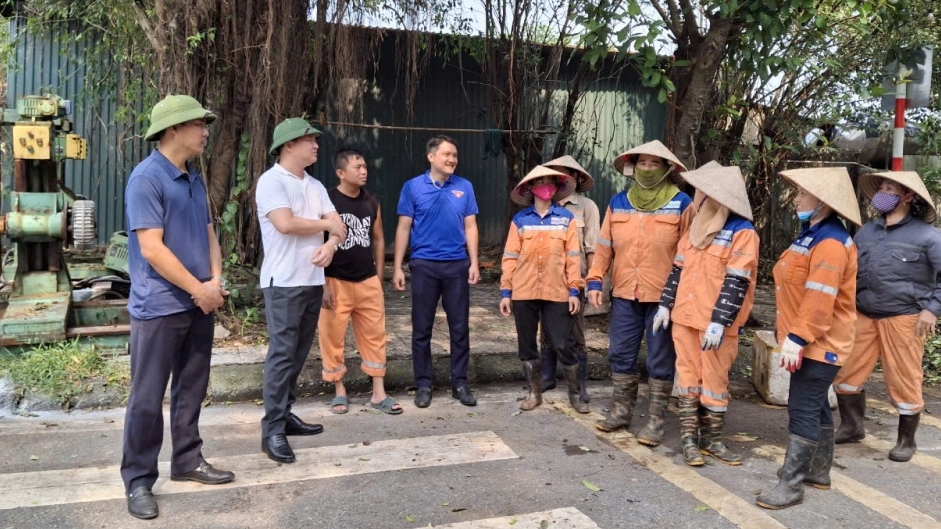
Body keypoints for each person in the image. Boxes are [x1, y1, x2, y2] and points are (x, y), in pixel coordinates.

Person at [121, 95, 234, 520]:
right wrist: (198, 289)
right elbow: (151, 248)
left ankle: (187, 459)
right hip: (160, 306)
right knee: (147, 398)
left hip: (198, 301)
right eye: (199, 124)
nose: (206, 131)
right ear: (173, 129)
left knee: (191, 388)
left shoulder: (193, 177)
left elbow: (208, 233)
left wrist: (215, 280)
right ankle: (137, 481)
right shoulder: (146, 178)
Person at [756, 167, 860, 510]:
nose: (796, 198)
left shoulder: (829, 242)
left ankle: (792, 483)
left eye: (802, 193)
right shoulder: (810, 234)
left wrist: (797, 338)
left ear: (823, 203)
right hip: (811, 338)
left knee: (802, 408)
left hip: (820, 343)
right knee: (815, 405)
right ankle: (817, 470)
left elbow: (820, 299)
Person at [587, 140, 693, 444]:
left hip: (664, 299)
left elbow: (688, 254)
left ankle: (657, 421)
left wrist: (678, 298)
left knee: (659, 358)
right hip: (624, 294)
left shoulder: (682, 203)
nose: (647, 169)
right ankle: (621, 411)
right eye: (642, 163)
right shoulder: (618, 202)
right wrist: (595, 280)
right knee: (619, 353)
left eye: (654, 164)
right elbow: (604, 246)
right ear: (633, 167)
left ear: (667, 168)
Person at [653, 162, 758, 465]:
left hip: (716, 325)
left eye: (701, 191)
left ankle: (712, 440)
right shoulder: (694, 228)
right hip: (684, 317)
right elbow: (678, 269)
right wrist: (665, 304)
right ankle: (688, 440)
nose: (696, 196)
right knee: (687, 377)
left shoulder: (743, 232)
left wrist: (719, 322)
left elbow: (737, 280)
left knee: (714, 380)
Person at [255, 118, 347, 464]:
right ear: (289, 145)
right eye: (310, 140)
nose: (316, 146)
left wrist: (332, 246)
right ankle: (272, 431)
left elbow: (339, 225)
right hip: (284, 282)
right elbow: (286, 223)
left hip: (312, 280)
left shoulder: (316, 185)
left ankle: (285, 414)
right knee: (281, 355)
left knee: (296, 355)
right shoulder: (271, 182)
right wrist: (327, 227)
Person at [832, 171, 941, 462]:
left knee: (904, 379)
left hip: (905, 317)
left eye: (890, 188)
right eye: (881, 187)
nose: (883, 192)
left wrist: (931, 309)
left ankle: (907, 441)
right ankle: (852, 427)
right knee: (846, 371)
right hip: (863, 314)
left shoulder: (928, 236)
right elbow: (850, 273)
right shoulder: (866, 232)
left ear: (908, 196)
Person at [393, 135, 480, 408]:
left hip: (457, 265)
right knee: (421, 328)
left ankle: (460, 383)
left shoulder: (464, 187)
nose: (452, 159)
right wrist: (397, 267)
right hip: (424, 265)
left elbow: (471, 226)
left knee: (459, 328)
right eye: (447, 154)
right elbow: (404, 227)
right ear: (431, 157)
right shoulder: (412, 187)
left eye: (455, 155)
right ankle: (423, 384)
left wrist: (474, 262)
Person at [318, 148, 402, 415]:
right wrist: (322, 283)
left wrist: (378, 276)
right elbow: (316, 242)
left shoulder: (372, 201)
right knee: (332, 336)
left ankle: (379, 393)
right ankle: (339, 390)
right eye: (357, 167)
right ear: (341, 173)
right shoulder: (327, 202)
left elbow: (378, 238)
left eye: (365, 166)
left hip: (367, 281)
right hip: (335, 280)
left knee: (375, 335)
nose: (364, 171)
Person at [500, 165, 587, 412]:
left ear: (558, 188)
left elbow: (573, 257)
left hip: (557, 291)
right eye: (541, 182)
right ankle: (534, 394)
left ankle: (575, 395)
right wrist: (506, 292)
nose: (546, 185)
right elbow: (509, 257)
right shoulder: (520, 220)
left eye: (551, 181)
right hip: (524, 291)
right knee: (527, 344)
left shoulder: (566, 219)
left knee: (563, 343)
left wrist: (574, 290)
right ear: (530, 188)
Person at [538, 155, 600, 404]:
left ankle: (579, 383)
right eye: (554, 175)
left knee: (574, 332)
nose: (558, 179)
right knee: (546, 331)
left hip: (575, 279)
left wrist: (594, 282)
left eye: (564, 175)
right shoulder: (542, 204)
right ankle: (547, 377)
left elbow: (592, 247)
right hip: (546, 279)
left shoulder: (587, 207)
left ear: (576, 179)